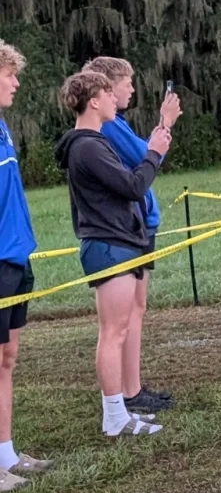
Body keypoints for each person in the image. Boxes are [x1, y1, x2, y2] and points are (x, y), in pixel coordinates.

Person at [54, 71, 171, 435]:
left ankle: (120, 410)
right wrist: (154, 152)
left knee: (118, 330)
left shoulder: (94, 142)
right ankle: (115, 417)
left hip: (119, 242)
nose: (113, 99)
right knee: (113, 333)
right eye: (107, 92)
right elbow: (134, 186)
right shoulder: (87, 145)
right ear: (94, 101)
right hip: (108, 246)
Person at [84, 56, 182, 412]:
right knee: (123, 319)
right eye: (127, 83)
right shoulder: (108, 126)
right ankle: (126, 393)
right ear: (107, 88)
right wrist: (165, 123)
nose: (132, 89)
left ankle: (133, 387)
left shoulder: (116, 123)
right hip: (122, 230)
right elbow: (148, 155)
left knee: (137, 310)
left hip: (139, 225)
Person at [0, 39, 52, 491]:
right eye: (9, 74)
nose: (16, 82)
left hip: (16, 258)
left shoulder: (2, 127)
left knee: (7, 358)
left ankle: (6, 454)